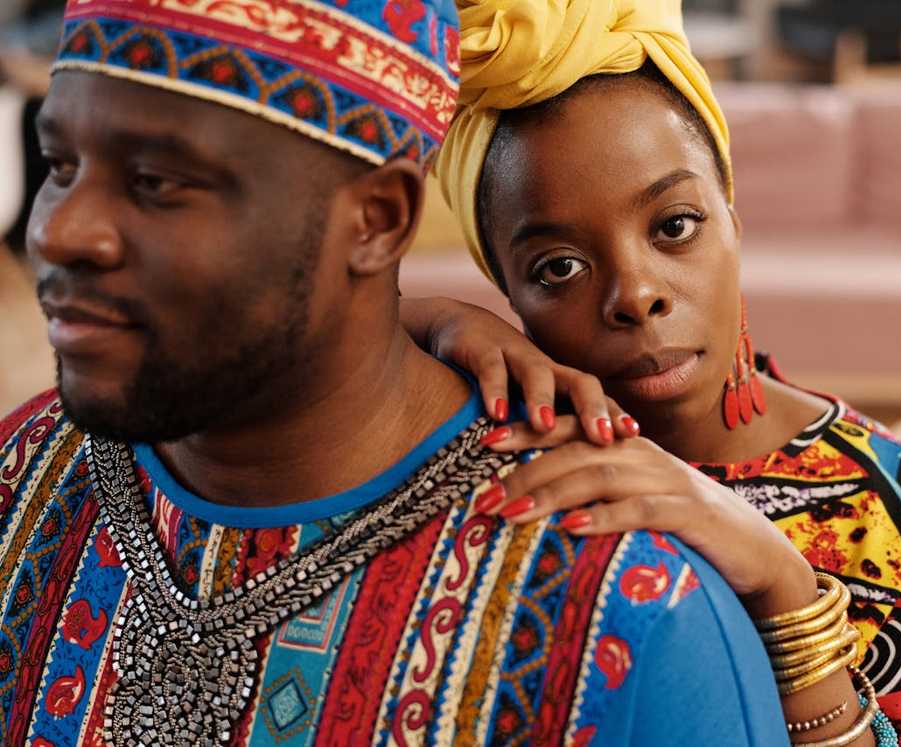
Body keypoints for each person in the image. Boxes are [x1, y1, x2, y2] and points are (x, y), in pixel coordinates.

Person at [0, 0, 792, 744]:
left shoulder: (625, 612)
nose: (62, 232)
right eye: (60, 165)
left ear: (378, 219)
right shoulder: (21, 472)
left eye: (156, 183)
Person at [404, 1, 901, 745]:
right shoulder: (499, 456)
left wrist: (783, 587)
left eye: (674, 225)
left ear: (733, 217)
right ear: (507, 292)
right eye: (558, 267)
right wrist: (427, 319)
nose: (635, 293)